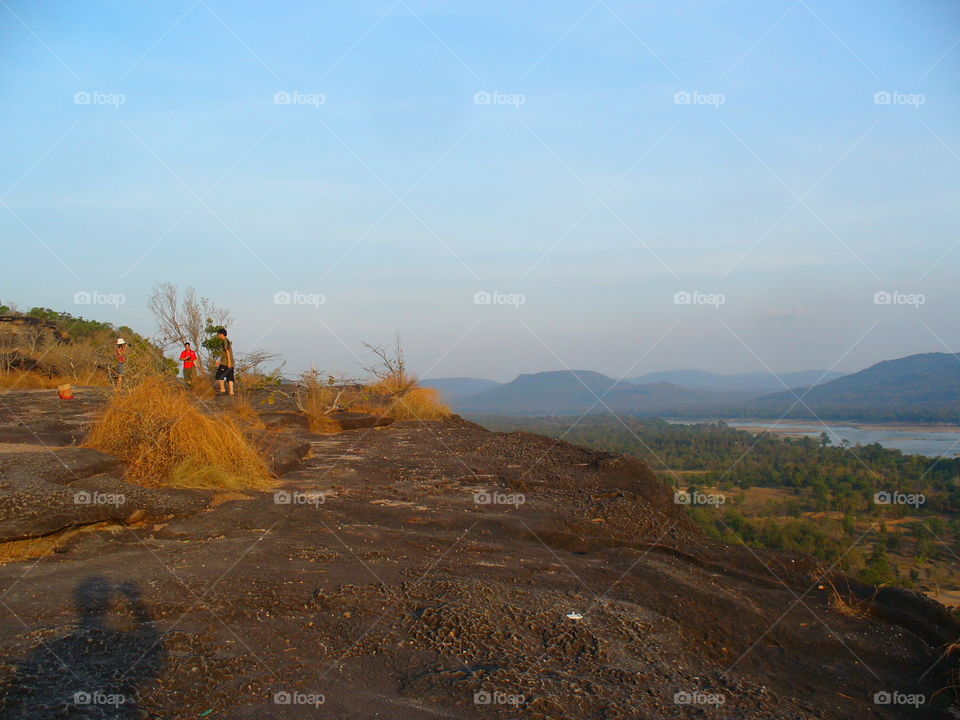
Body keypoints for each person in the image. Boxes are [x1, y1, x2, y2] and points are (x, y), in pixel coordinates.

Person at [214, 327, 235, 395]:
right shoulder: (227, 341)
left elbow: (227, 351)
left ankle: (222, 389)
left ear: (222, 334)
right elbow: (225, 354)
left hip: (226, 363)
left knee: (219, 375)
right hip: (229, 362)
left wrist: (229, 362)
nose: (218, 335)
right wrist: (220, 362)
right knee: (230, 376)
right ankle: (231, 392)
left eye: (218, 334)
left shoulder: (225, 341)